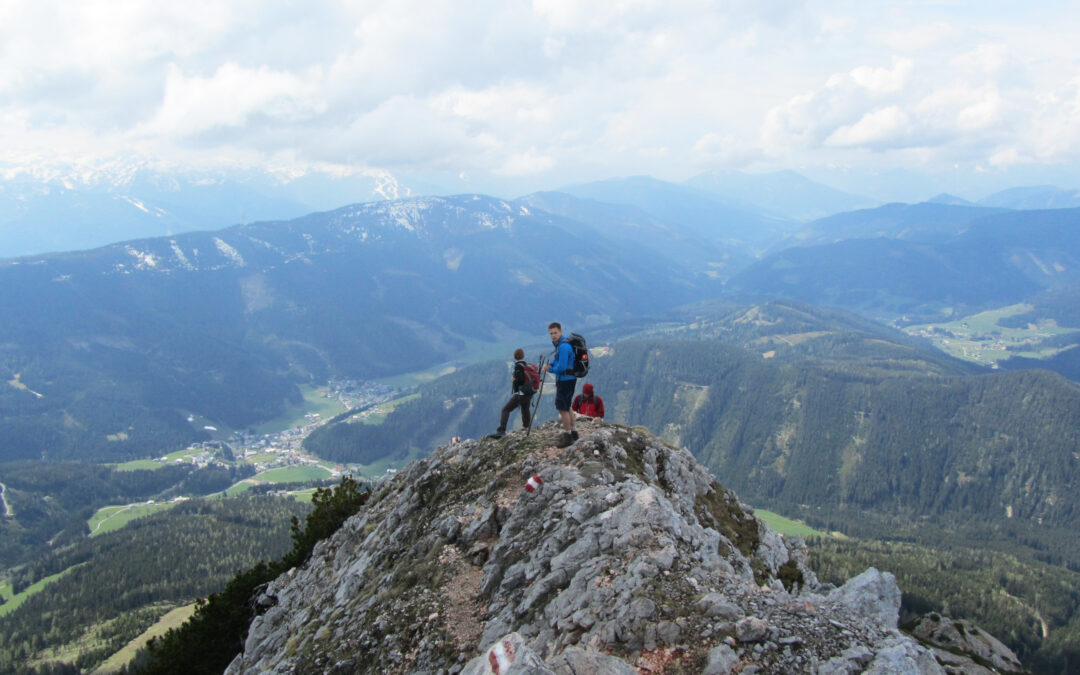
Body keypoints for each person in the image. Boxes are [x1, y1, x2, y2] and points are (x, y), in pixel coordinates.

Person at [541, 322, 578, 448]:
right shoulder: (562, 344)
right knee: (568, 406)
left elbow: (561, 367)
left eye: (555, 333)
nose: (553, 335)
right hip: (570, 379)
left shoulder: (562, 347)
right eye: (551, 333)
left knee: (562, 408)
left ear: (561, 332)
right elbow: (559, 362)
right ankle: (574, 432)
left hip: (565, 380)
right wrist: (551, 365)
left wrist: (549, 369)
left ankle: (567, 436)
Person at [489, 348, 533, 438]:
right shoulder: (526, 365)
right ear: (523, 356)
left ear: (515, 356)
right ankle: (526, 427)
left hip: (521, 393)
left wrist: (514, 380)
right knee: (525, 409)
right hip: (529, 392)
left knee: (505, 409)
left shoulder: (518, 366)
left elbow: (520, 380)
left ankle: (501, 430)